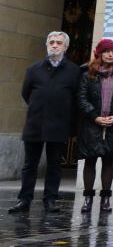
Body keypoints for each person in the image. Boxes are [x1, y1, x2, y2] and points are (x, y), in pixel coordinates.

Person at [8, 31, 81, 215]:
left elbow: (76, 98)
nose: (54, 45)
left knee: (54, 164)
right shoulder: (33, 69)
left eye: (58, 43)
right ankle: (24, 200)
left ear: (65, 47)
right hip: (35, 124)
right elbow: (26, 94)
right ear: (47, 45)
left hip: (58, 125)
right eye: (51, 42)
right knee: (29, 165)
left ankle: (50, 199)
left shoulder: (73, 71)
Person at [77, 38, 113, 215]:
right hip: (91, 125)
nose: (111, 54)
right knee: (90, 160)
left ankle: (105, 199)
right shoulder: (88, 73)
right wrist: (95, 117)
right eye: (107, 51)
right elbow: (81, 98)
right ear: (99, 53)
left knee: (108, 160)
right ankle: (87, 198)